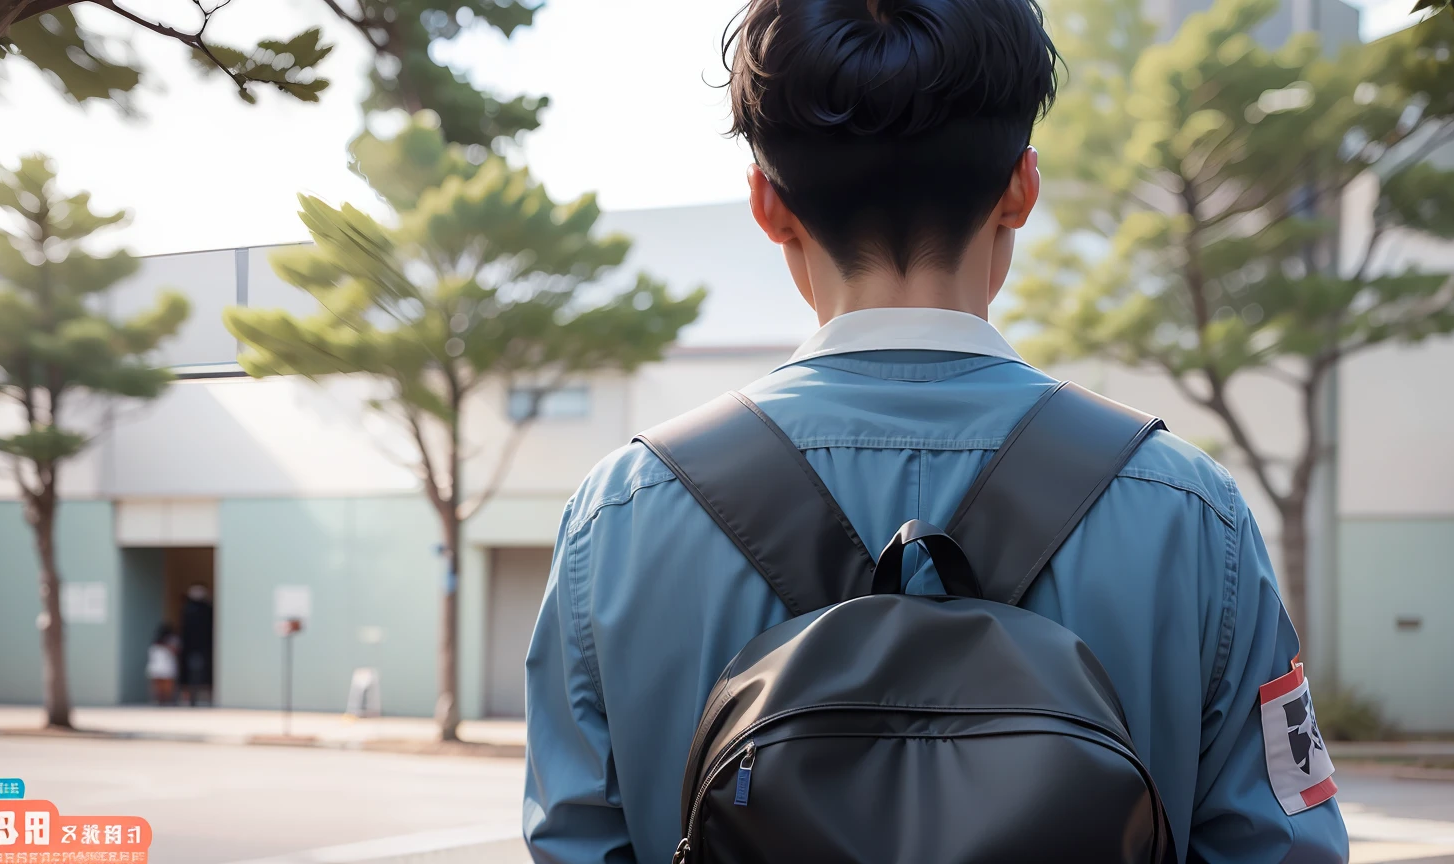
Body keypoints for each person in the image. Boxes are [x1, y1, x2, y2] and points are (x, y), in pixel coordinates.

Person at [523, 0, 1349, 861]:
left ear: (768, 205)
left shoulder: (619, 519)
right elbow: (1283, 848)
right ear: (1022, 188)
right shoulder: (1190, 514)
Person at [179, 584, 214, 707]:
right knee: (197, 674)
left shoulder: (190, 609)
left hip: (196, 649)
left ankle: (192, 699)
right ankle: (191, 699)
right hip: (201, 648)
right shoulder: (202, 609)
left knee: (197, 674)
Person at [146, 623, 178, 706]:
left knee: (165, 687)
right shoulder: (156, 644)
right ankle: (159, 701)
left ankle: (165, 702)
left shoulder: (170, 641)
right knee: (159, 687)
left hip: (164, 667)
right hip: (159, 667)